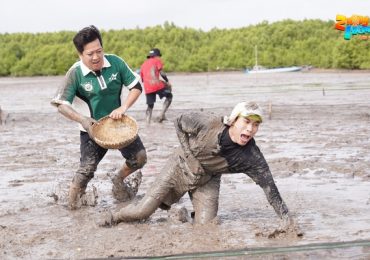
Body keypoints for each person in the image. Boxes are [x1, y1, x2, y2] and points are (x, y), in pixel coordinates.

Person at [102, 101, 294, 228]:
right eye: (246, 122)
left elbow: (271, 190)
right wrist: (188, 153)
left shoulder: (252, 157)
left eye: (256, 125)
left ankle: (184, 215)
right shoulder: (209, 123)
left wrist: (288, 222)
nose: (250, 129)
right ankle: (114, 217)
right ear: (234, 120)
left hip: (207, 179)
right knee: (142, 212)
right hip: (179, 165)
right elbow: (178, 122)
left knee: (206, 228)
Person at [51, 25, 147, 209]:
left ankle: (118, 179)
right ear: (80, 54)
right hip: (91, 130)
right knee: (86, 170)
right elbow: (60, 104)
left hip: (118, 125)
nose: (96, 57)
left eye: (99, 51)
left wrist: (123, 107)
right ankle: (72, 206)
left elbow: (136, 86)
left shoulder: (115, 63)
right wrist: (83, 120)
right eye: (90, 54)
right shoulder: (75, 73)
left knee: (140, 158)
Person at [140, 48, 172, 124]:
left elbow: (142, 79)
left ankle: (147, 122)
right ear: (156, 56)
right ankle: (161, 115)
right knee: (170, 95)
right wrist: (167, 82)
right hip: (156, 84)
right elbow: (162, 73)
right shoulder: (157, 60)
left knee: (150, 105)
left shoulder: (143, 64)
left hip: (147, 87)